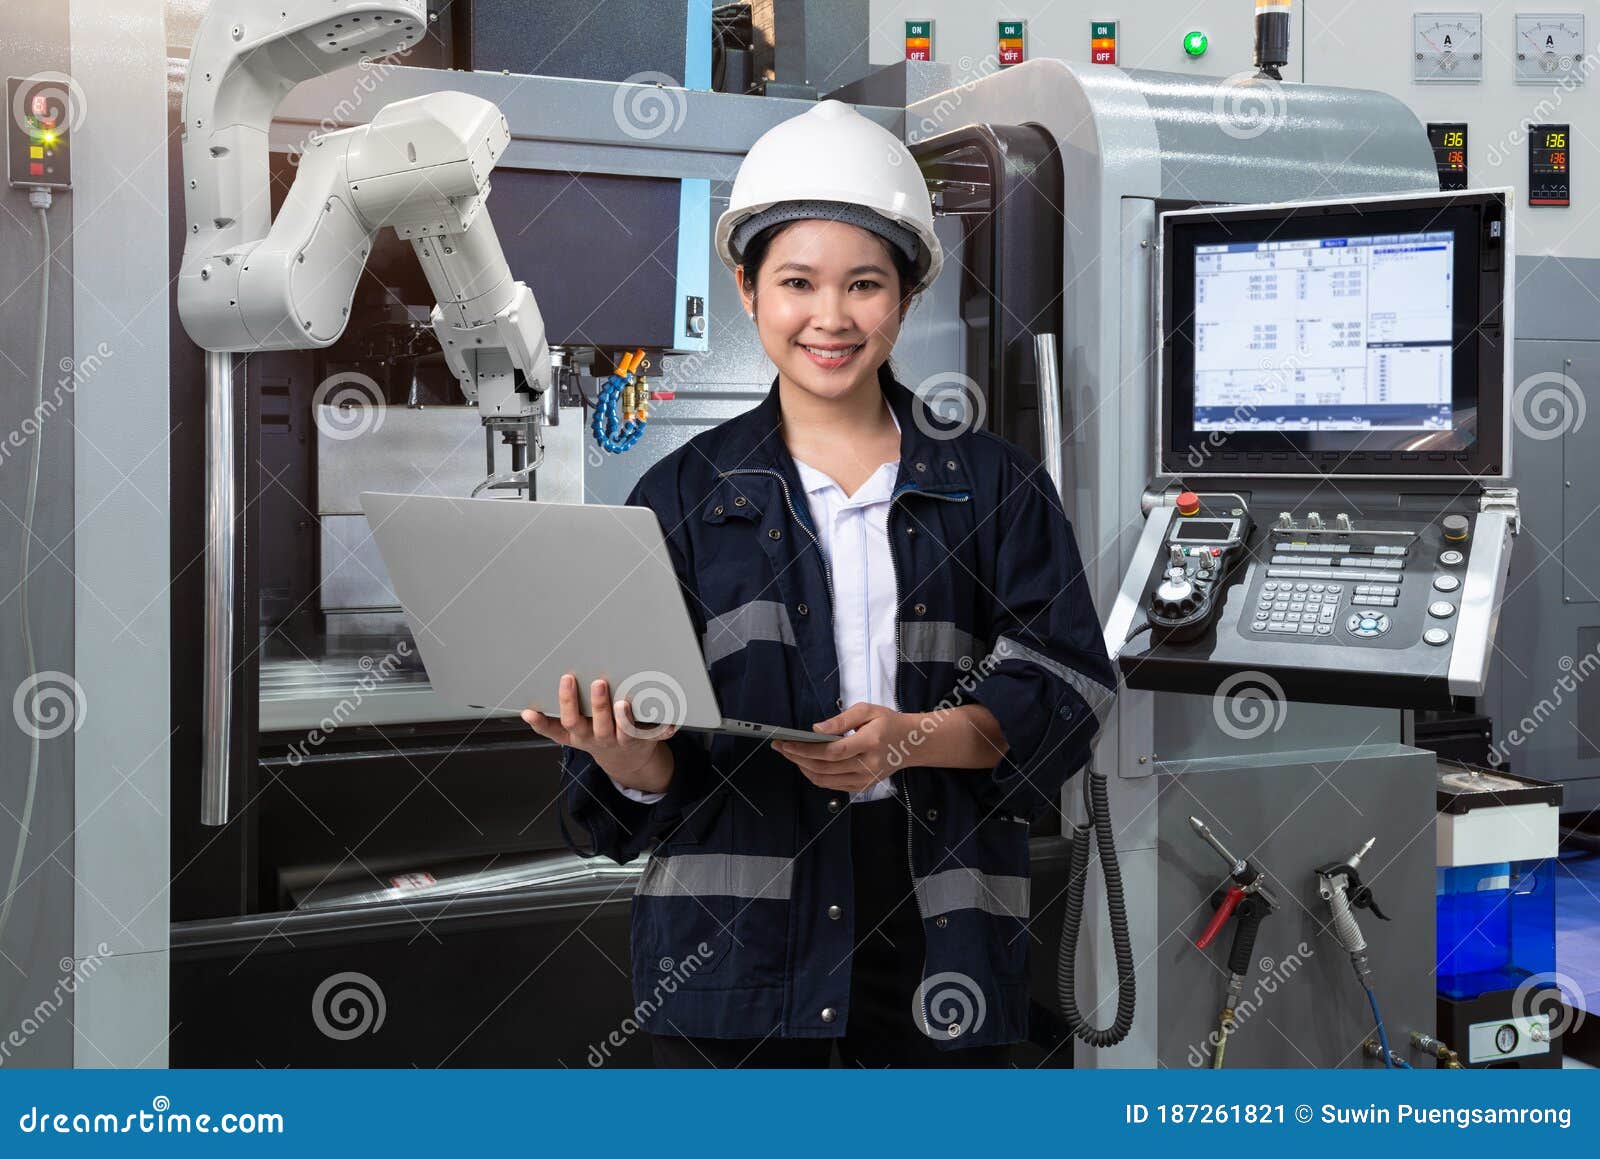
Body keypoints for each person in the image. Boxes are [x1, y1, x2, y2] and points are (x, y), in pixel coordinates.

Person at [522, 100, 1116, 1068]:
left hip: (943, 949)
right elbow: (621, 800)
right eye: (797, 281)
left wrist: (912, 739)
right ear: (748, 290)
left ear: (906, 295)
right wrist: (627, 757)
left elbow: (1072, 684)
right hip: (731, 972)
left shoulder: (994, 483)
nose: (830, 318)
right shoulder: (679, 498)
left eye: (864, 284)